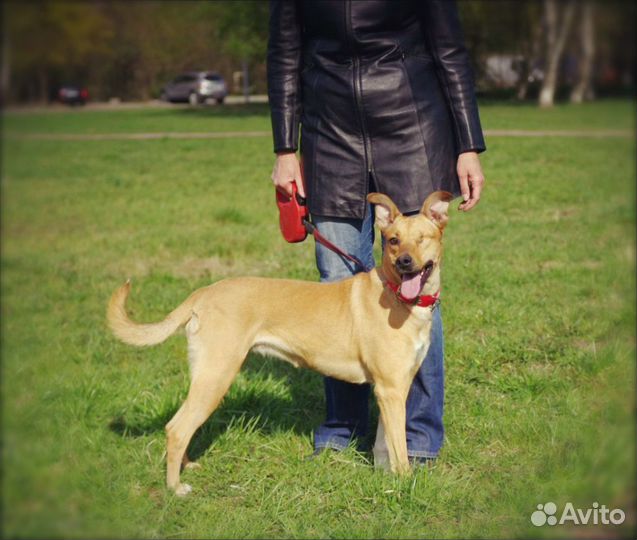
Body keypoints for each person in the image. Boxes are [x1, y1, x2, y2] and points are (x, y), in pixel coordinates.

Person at [267, 0, 485, 463]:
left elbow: (450, 50)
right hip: (329, 135)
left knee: (418, 287)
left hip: (413, 127)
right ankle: (344, 426)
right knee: (335, 286)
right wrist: (287, 146)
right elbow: (284, 52)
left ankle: (418, 435)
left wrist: (467, 143)